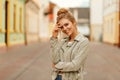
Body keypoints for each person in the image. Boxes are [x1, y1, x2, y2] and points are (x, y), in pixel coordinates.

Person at [50, 8, 89, 80]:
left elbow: (75, 65)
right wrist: (54, 37)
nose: (64, 28)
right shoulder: (63, 41)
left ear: (74, 22)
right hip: (57, 77)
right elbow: (54, 60)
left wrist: (57, 66)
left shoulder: (83, 42)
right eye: (61, 27)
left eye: (66, 24)